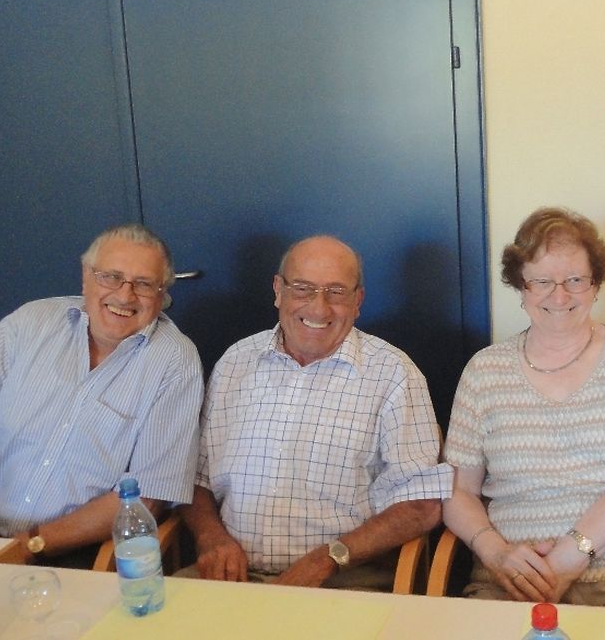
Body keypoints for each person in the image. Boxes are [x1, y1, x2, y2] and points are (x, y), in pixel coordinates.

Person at [442, 207, 605, 611]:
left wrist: (568, 558)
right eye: (542, 281)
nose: (559, 296)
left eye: (575, 280)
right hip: (513, 582)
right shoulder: (483, 371)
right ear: (521, 286)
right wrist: (495, 552)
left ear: (596, 284)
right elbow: (458, 491)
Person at [180, 235, 451, 590]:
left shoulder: (394, 374)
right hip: (231, 575)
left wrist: (329, 559)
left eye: (336, 292)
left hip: (344, 578)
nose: (319, 309)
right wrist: (210, 538)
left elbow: (420, 504)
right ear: (278, 291)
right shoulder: (235, 362)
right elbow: (196, 478)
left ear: (358, 301)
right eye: (303, 289)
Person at [0, 223, 203, 568]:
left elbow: (147, 497)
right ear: (86, 277)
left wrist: (30, 545)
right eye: (111, 277)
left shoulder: (175, 361)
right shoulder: (27, 325)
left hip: (74, 544)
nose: (124, 296)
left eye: (144, 284)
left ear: (162, 295)